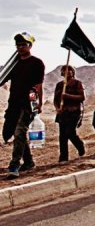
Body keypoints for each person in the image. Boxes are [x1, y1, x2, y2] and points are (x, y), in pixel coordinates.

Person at [1, 32, 45, 179]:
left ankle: (14, 165)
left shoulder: (37, 63)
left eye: (23, 44)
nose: (20, 47)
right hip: (13, 103)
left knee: (20, 132)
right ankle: (29, 161)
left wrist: (38, 103)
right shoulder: (13, 64)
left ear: (30, 46)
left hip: (28, 103)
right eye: (18, 45)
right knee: (15, 133)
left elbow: (38, 85)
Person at [53, 65, 86, 162]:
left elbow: (81, 97)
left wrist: (67, 96)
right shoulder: (59, 85)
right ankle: (63, 158)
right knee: (62, 136)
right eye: (65, 70)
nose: (67, 72)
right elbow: (55, 99)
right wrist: (57, 108)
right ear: (62, 73)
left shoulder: (77, 83)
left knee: (70, 132)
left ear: (73, 72)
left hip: (74, 111)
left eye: (70, 70)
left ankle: (80, 146)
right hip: (62, 113)